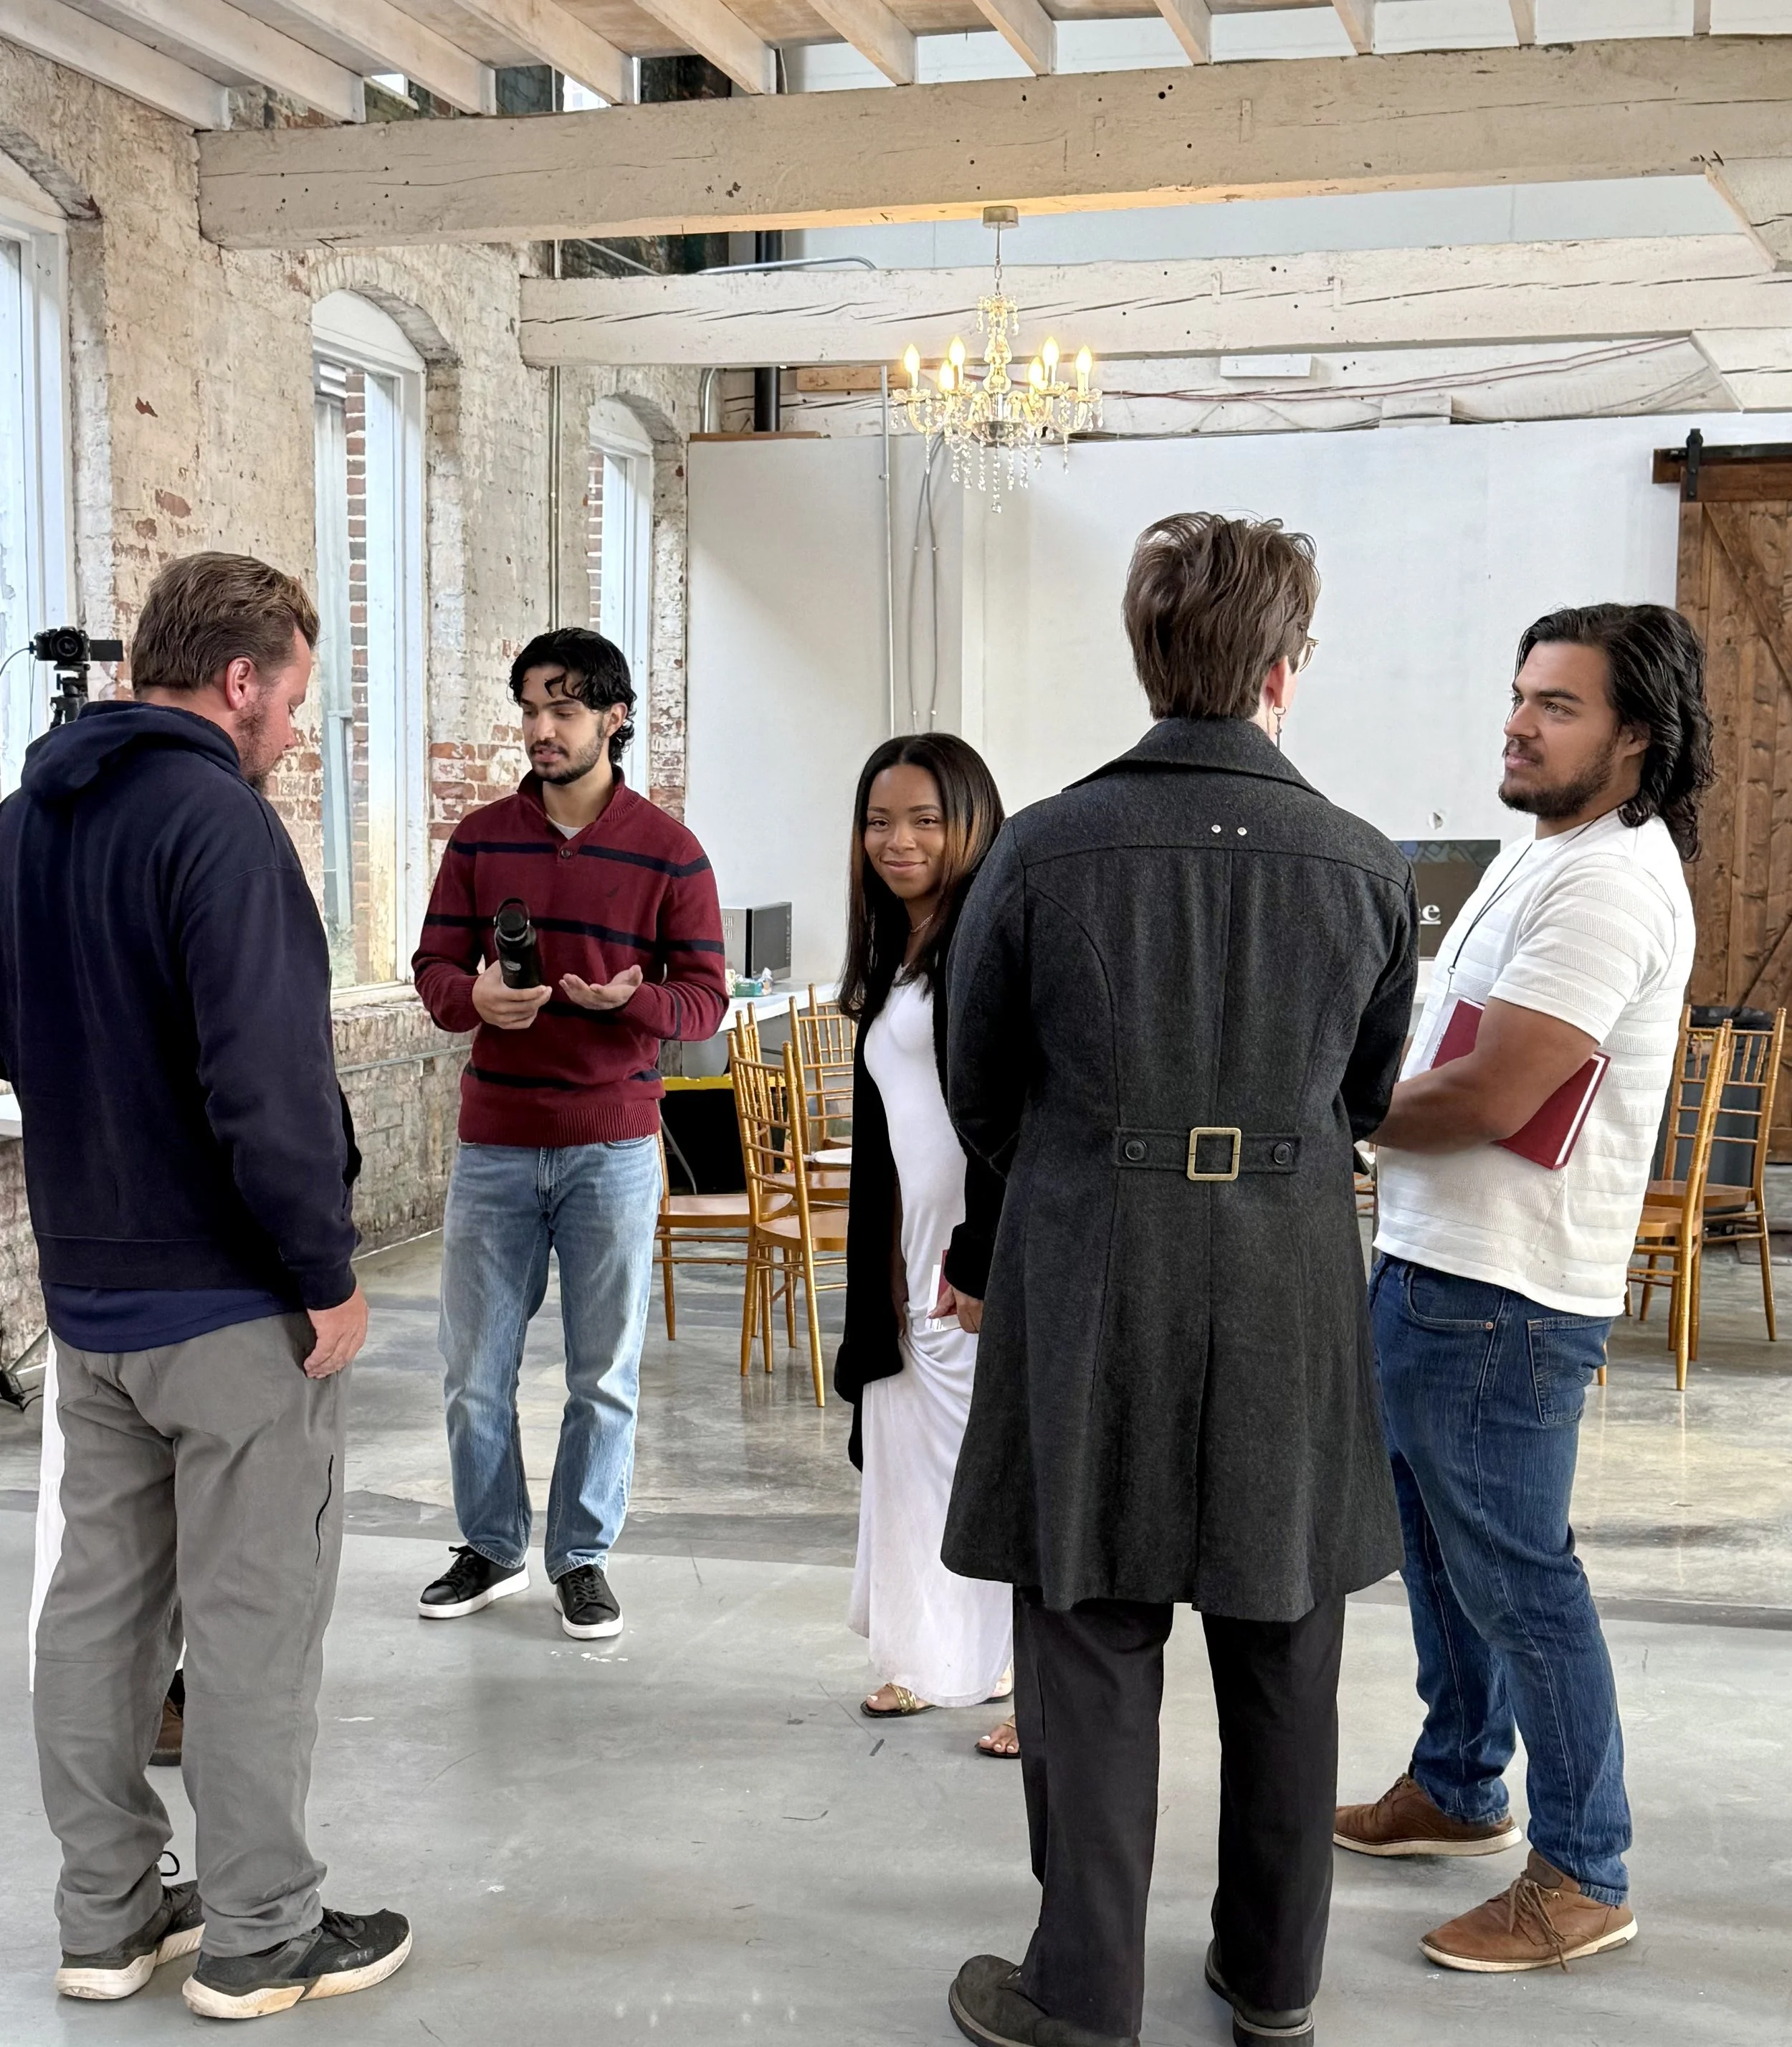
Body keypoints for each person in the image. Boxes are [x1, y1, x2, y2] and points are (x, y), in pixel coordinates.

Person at [939, 513, 1417, 2047]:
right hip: (1285, 1269)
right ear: (1284, 669)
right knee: (1283, 1628)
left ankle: (1082, 1992)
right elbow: (1361, 1095)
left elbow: (978, 1087)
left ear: (1146, 656)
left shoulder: (1040, 845)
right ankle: (1273, 1977)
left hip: (1092, 1263)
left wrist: (1093, 1171)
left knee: (1086, 1623)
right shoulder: (1364, 863)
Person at [0, 551, 410, 2018]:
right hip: (234, 1306)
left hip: (90, 1300)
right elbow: (270, 1085)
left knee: (98, 1612)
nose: (292, 731)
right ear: (240, 680)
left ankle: (107, 1917)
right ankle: (260, 1931)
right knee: (252, 1618)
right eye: (292, 700)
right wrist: (325, 1271)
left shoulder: (23, 822)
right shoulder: (218, 825)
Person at [1338, 604, 1710, 1972]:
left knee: (1520, 1577)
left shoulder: (1609, 882)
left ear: (1637, 735)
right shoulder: (1545, 852)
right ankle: (1457, 1781)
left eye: (1557, 705)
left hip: (1505, 1290)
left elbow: (1497, 1091)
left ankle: (1584, 1868)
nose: (1518, 723)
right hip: (1439, 1258)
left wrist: (1329, 1112)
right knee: (1443, 1555)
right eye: (1519, 695)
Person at [411, 627, 728, 1641]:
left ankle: (581, 1557)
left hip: (614, 1146)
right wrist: (473, 999)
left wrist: (635, 1002)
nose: (541, 728)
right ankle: (492, 1546)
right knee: (474, 1373)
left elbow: (705, 1000)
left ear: (614, 717)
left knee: (603, 1376)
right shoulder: (479, 840)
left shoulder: (670, 850)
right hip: (496, 1142)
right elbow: (433, 970)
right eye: (530, 709)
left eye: (564, 708)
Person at [834, 734, 1017, 1757]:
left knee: (994, 1465)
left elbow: (1017, 1118)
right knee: (912, 1455)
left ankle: (1034, 1677)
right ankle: (927, 1653)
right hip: (908, 1248)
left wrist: (982, 1255)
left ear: (972, 823)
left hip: (975, 1247)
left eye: (924, 820)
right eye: (878, 821)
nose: (897, 841)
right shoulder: (899, 950)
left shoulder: (989, 941)